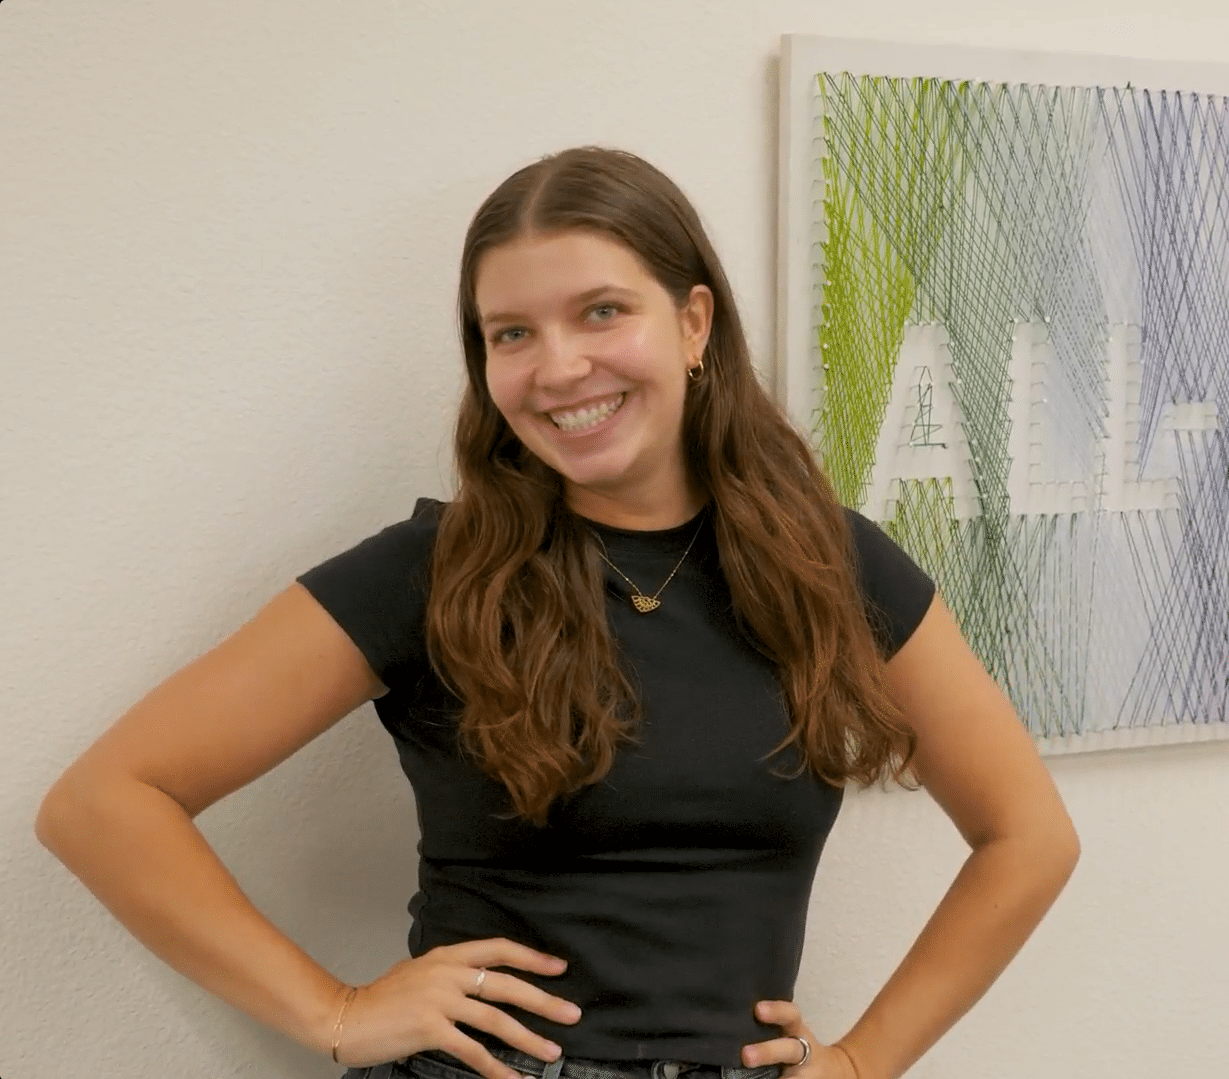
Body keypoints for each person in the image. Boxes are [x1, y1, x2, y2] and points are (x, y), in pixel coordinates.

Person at [36, 146, 1080, 1079]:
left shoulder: (829, 560)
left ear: (693, 321)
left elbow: (1026, 833)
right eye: (511, 333)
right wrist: (337, 1013)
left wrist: (861, 1060)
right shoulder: (430, 573)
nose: (559, 366)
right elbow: (104, 800)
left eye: (600, 311)